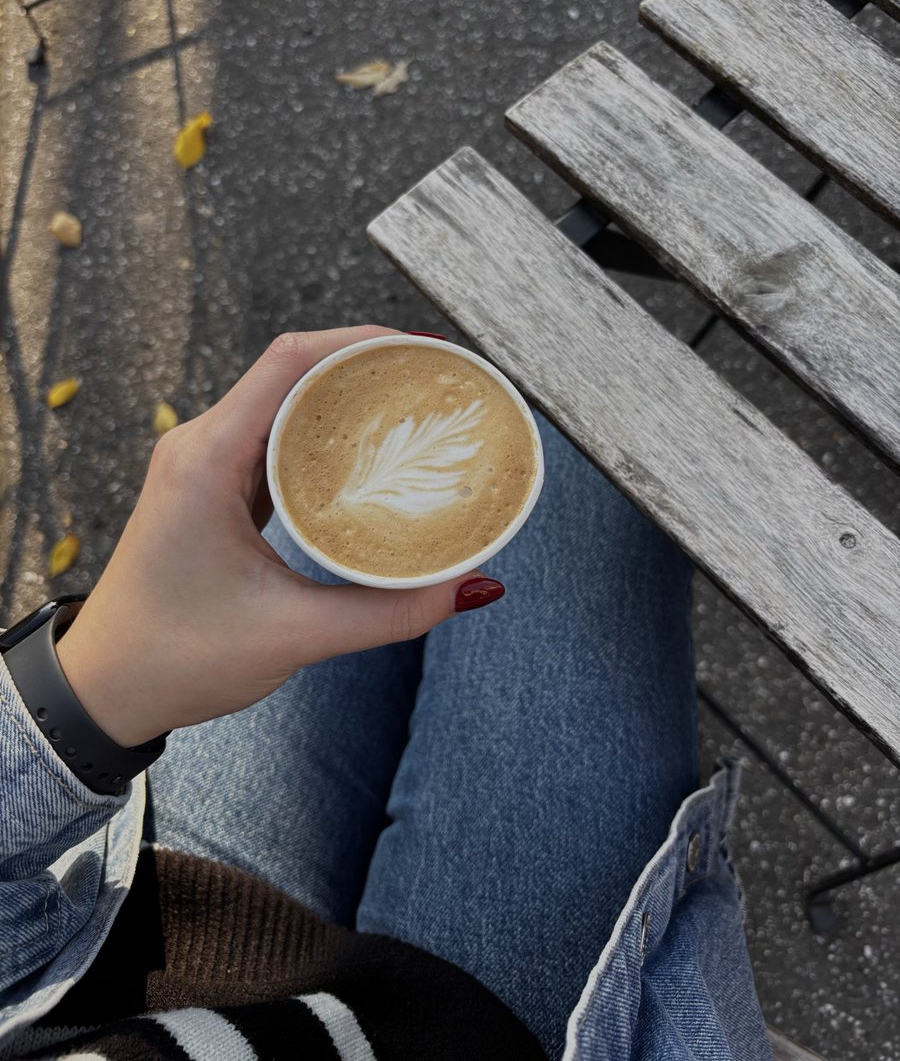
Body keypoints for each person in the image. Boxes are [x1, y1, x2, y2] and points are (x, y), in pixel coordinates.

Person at [0, 327, 773, 1060]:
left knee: (318, 522)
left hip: (105, 931)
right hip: (474, 1037)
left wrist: (89, 697)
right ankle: (603, 348)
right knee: (581, 452)